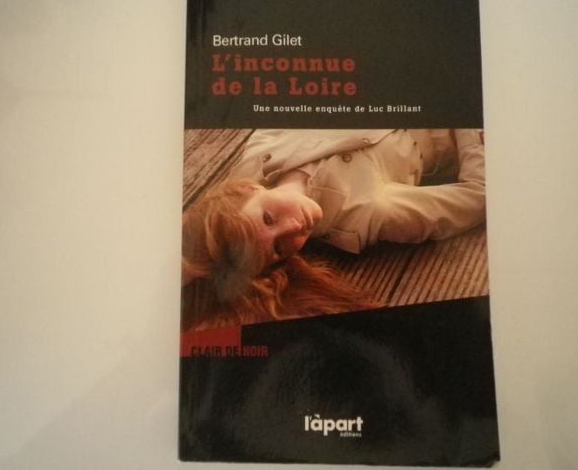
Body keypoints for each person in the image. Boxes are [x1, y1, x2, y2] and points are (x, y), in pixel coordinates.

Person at [181, 128, 485, 329]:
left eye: (268, 219)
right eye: (278, 248)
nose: (293, 227)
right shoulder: (368, 214)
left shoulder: (257, 157)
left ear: (248, 189)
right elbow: (480, 192)